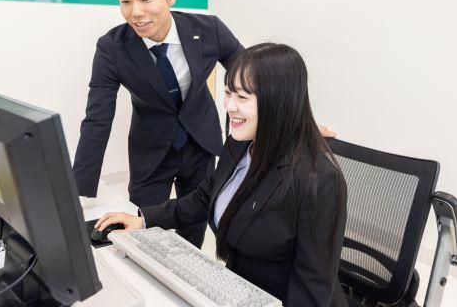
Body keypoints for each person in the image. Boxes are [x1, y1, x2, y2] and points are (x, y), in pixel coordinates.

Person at [96, 43, 349, 307]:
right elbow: (205, 197)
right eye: (228, 93)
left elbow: (313, 286)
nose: (229, 106)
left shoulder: (319, 180)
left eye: (242, 97)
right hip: (236, 290)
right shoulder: (239, 144)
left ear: (279, 102)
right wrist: (145, 220)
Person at [72, 0, 244, 248]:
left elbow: (253, 75)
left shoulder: (209, 30)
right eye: (125, 1)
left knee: (193, 227)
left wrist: (297, 119)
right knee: (141, 233)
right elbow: (97, 118)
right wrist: (77, 190)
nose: (135, 12)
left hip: (201, 142)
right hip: (150, 149)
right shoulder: (112, 48)